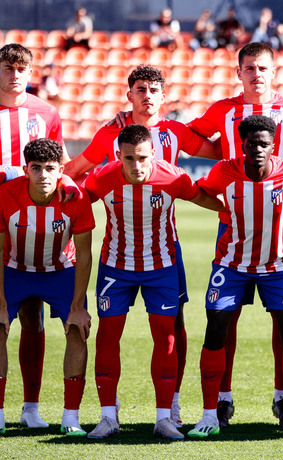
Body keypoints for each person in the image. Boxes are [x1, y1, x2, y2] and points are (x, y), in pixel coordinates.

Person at [65, 64, 220, 428]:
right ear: (129, 94)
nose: (147, 95)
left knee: (173, 327)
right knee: (110, 332)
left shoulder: (176, 132)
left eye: (153, 89)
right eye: (140, 89)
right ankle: (108, 415)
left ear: (163, 96)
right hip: (118, 253)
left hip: (165, 247)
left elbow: (220, 154)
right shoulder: (110, 134)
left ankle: (171, 407)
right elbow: (80, 170)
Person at [187, 42, 283, 429]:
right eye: (249, 68)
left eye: (262, 68)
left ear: (273, 71)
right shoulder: (223, 110)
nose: (256, 73)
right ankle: (221, 401)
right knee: (227, 316)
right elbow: (193, 137)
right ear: (238, 72)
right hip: (234, 218)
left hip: (279, 219)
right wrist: (226, 163)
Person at [187, 115, 283, 438]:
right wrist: (222, 210)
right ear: (242, 145)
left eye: (264, 144)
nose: (258, 149)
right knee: (216, 329)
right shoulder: (224, 170)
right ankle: (209, 414)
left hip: (278, 267)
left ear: (274, 146)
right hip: (231, 265)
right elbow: (201, 192)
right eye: (252, 143)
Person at [84, 124, 224, 440]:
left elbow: (203, 198)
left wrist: (235, 210)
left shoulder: (174, 177)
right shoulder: (103, 177)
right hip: (115, 268)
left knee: (166, 337)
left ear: (154, 154)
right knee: (107, 336)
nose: (136, 166)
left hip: (161, 268)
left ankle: (164, 418)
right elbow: (77, 202)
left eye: (143, 158)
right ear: (118, 155)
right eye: (129, 158)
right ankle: (108, 417)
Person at [0, 138, 94, 436]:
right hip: (14, 270)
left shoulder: (74, 197)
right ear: (25, 170)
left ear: (61, 170)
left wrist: (78, 308)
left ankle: (70, 417)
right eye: (36, 168)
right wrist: (0, 304)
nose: (43, 175)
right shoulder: (5, 195)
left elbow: (85, 254)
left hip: (60, 271)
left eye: (50, 169)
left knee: (78, 329)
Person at [0, 43, 72, 430]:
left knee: (31, 314)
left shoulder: (46, 113)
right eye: (8, 67)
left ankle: (30, 408)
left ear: (31, 73)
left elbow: (57, 163)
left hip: (31, 226)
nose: (15, 74)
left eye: (21, 68)